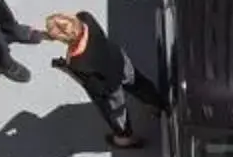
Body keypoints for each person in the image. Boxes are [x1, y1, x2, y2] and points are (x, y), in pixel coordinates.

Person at [40, 11, 164, 149]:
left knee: (116, 113)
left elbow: (92, 84)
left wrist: (67, 67)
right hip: (118, 59)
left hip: (110, 84)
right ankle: (156, 104)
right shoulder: (86, 18)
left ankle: (125, 138)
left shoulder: (77, 62)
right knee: (138, 83)